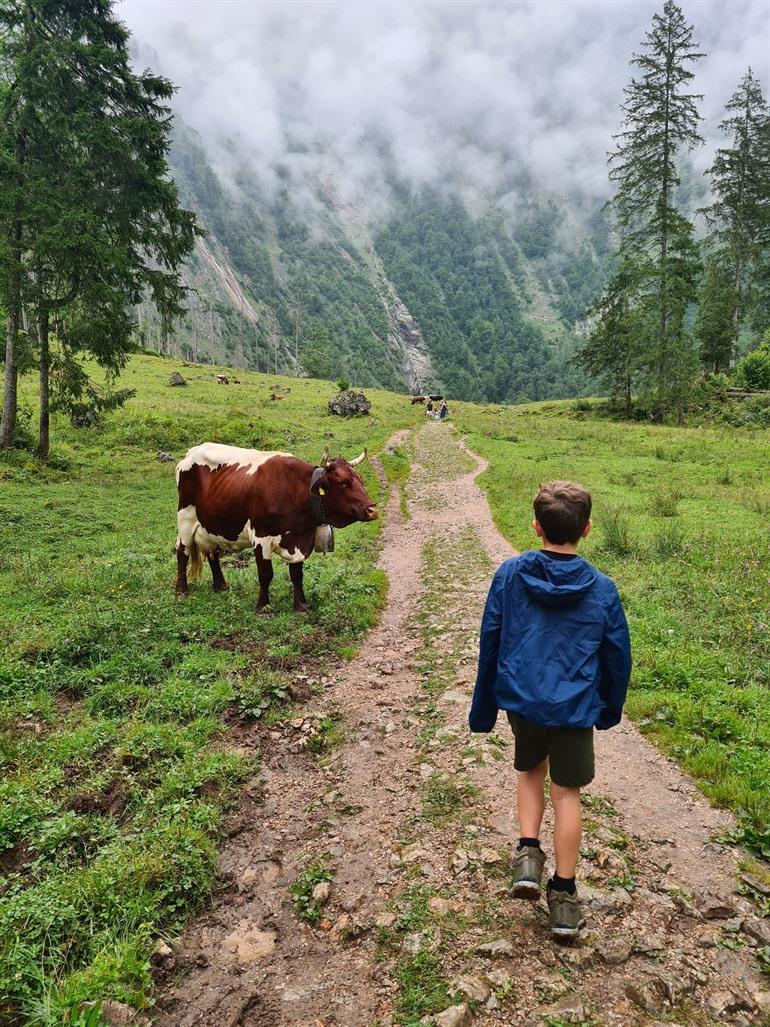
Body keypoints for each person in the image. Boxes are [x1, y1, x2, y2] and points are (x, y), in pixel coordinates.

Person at [468, 481, 631, 937]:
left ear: (536, 526)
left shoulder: (509, 574)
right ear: (588, 529)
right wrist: (609, 708)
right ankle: (563, 895)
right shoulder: (602, 589)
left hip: (523, 701)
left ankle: (526, 856)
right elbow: (618, 656)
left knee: (529, 773)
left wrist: (483, 708)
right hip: (575, 707)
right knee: (567, 794)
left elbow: (491, 640)